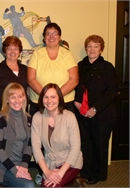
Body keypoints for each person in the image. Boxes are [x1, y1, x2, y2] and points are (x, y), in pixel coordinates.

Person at [27, 22, 78, 184]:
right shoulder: (38, 54)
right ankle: (45, 170)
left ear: (60, 37)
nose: (51, 36)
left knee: (62, 140)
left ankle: (63, 170)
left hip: (65, 103)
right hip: (38, 103)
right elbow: (31, 78)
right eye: (48, 33)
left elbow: (74, 79)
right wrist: (46, 98)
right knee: (42, 140)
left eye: (55, 33)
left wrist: (55, 98)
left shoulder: (66, 54)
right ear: (43, 37)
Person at [74, 35, 118, 184]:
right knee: (85, 144)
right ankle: (86, 173)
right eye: (89, 46)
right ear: (86, 48)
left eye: (96, 46)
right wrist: (76, 103)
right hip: (82, 112)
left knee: (99, 145)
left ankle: (98, 175)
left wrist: (95, 108)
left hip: (103, 115)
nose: (92, 49)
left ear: (101, 49)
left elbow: (111, 91)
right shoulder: (80, 66)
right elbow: (76, 86)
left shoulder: (107, 67)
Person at [31, 83, 83, 187]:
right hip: (50, 163)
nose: (49, 101)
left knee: (51, 186)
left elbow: (76, 148)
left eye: (53, 97)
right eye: (46, 97)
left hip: (70, 162)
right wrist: (47, 171)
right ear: (41, 99)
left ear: (59, 98)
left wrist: (60, 173)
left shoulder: (69, 117)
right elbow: (36, 148)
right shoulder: (37, 117)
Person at [0, 82, 34, 188]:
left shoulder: (28, 118)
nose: (17, 101)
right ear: (7, 100)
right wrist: (14, 170)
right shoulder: (0, 118)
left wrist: (24, 167)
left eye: (20, 96)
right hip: (3, 166)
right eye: (13, 97)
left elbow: (29, 146)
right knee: (29, 186)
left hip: (20, 165)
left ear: (24, 98)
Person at [0, 36, 28, 126]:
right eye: (9, 49)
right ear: (5, 51)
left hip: (21, 113)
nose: (12, 52)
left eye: (15, 49)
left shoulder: (25, 69)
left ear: (20, 52)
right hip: (3, 113)